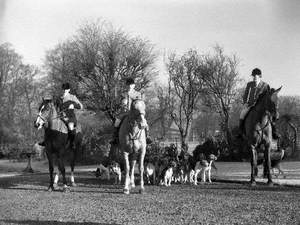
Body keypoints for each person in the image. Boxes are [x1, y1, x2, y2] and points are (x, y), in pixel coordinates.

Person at [239, 68, 279, 139]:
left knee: (270, 116)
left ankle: (274, 132)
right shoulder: (249, 84)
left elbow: (268, 96)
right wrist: (245, 102)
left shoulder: (265, 85)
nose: (254, 77)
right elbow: (246, 94)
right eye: (253, 76)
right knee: (242, 114)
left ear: (259, 76)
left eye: (255, 76)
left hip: (262, 106)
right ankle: (240, 131)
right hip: (250, 105)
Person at [111, 77, 148, 144]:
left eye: (131, 85)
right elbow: (120, 103)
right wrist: (122, 103)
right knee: (117, 122)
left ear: (134, 85)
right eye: (128, 85)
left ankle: (147, 136)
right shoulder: (123, 94)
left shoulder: (138, 94)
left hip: (136, 113)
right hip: (125, 112)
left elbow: (140, 103)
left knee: (144, 121)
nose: (130, 86)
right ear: (126, 86)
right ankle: (115, 137)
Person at [60, 82, 83, 149]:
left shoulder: (73, 97)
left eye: (66, 89)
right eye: (63, 89)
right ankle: (46, 141)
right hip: (60, 117)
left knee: (70, 126)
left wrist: (73, 105)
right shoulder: (60, 98)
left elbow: (81, 106)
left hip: (70, 117)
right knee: (50, 124)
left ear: (69, 90)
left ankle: (71, 143)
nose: (64, 91)